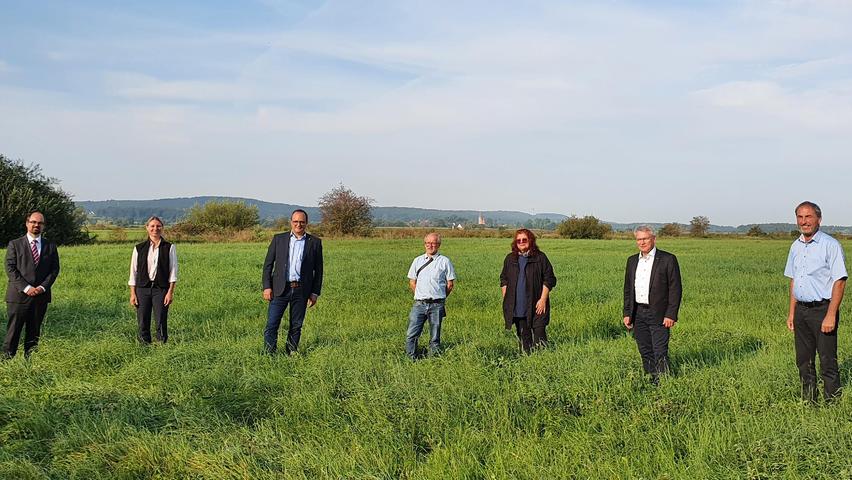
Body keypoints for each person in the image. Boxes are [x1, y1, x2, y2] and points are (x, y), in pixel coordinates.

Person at [784, 201, 847, 402]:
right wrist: (792, 313)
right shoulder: (795, 246)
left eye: (808, 217)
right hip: (801, 311)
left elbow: (839, 281)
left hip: (823, 310)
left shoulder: (830, 245)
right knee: (803, 360)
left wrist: (831, 315)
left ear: (818, 219)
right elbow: (794, 280)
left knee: (827, 360)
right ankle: (809, 400)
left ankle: (832, 402)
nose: (804, 221)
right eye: (800, 217)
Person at [622, 225, 682, 384]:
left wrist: (671, 314)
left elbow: (675, 289)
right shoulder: (632, 261)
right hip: (638, 312)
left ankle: (664, 383)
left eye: (645, 239)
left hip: (660, 313)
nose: (642, 242)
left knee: (660, 350)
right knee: (645, 349)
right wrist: (627, 313)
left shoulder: (668, 259)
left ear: (653, 239)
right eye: (639, 239)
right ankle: (651, 380)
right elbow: (628, 289)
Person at [262, 209, 323, 355]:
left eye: (302, 222)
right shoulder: (279, 239)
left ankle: (291, 353)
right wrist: (267, 287)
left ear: (306, 223)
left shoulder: (314, 242)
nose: (298, 224)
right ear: (291, 222)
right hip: (279, 289)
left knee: (296, 325)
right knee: (272, 324)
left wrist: (315, 293)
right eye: (295, 221)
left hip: (301, 290)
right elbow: (268, 265)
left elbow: (319, 270)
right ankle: (269, 354)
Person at [4, 211, 61, 358]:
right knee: (13, 332)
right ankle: (6, 362)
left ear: (44, 226)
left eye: (40, 223)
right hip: (18, 296)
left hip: (40, 297)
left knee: (34, 333)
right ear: (27, 223)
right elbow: (10, 268)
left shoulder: (50, 246)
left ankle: (31, 364)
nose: (36, 225)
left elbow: (54, 270)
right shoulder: (15, 244)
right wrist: (27, 288)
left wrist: (42, 287)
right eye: (33, 222)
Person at [500, 229, 556, 354]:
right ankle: (527, 360)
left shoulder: (540, 257)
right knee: (524, 337)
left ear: (530, 241)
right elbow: (503, 279)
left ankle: (543, 361)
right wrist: (507, 297)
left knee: (540, 335)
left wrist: (543, 300)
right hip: (518, 305)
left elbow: (549, 279)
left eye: (524, 240)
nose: (521, 242)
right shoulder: (510, 259)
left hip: (537, 304)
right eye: (518, 240)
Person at [405, 233, 456, 359]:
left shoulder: (444, 261)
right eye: (427, 243)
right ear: (424, 244)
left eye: (433, 243)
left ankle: (433, 359)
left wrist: (441, 297)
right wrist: (421, 294)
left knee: (435, 336)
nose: (430, 245)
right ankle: (410, 358)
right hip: (419, 304)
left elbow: (450, 284)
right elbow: (412, 282)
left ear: (438, 245)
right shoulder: (417, 260)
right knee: (412, 334)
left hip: (437, 304)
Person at [128, 216, 178, 344]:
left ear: (162, 228)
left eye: (158, 226)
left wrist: (170, 292)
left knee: (161, 318)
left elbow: (173, 271)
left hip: (161, 289)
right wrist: (133, 293)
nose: (155, 229)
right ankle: (144, 344)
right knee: (143, 319)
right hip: (142, 289)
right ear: (147, 228)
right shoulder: (139, 248)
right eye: (152, 226)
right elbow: (133, 272)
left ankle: (162, 344)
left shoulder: (169, 247)